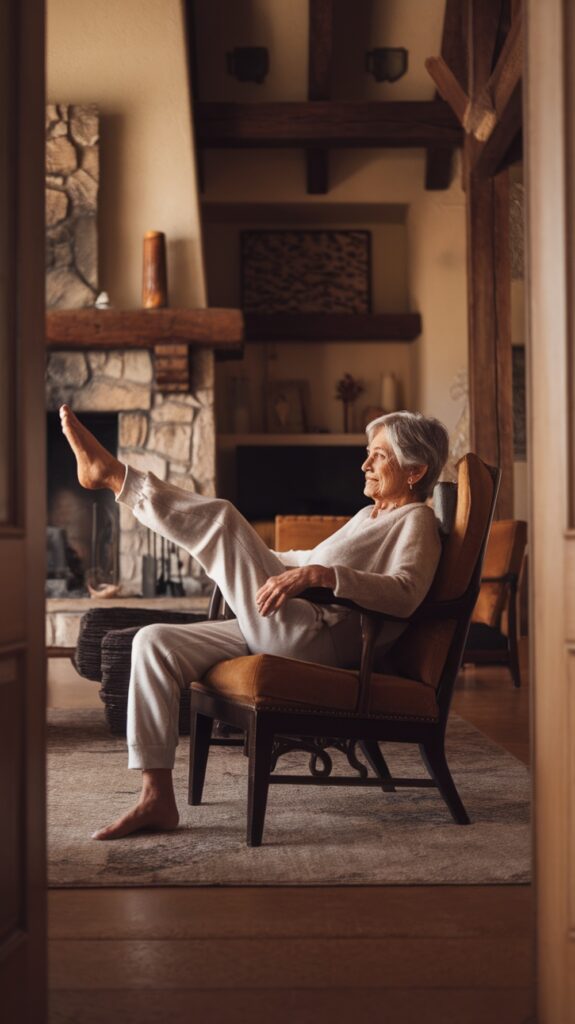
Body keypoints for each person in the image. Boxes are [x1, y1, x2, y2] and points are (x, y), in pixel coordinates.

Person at [59, 404, 449, 840]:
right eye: (368, 452)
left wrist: (325, 576)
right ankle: (156, 799)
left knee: (223, 518)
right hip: (288, 625)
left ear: (415, 470)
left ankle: (116, 478)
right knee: (153, 643)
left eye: (378, 455)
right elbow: (305, 560)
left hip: (319, 640)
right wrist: (267, 561)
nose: (364, 464)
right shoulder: (368, 516)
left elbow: (406, 592)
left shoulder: (417, 522)